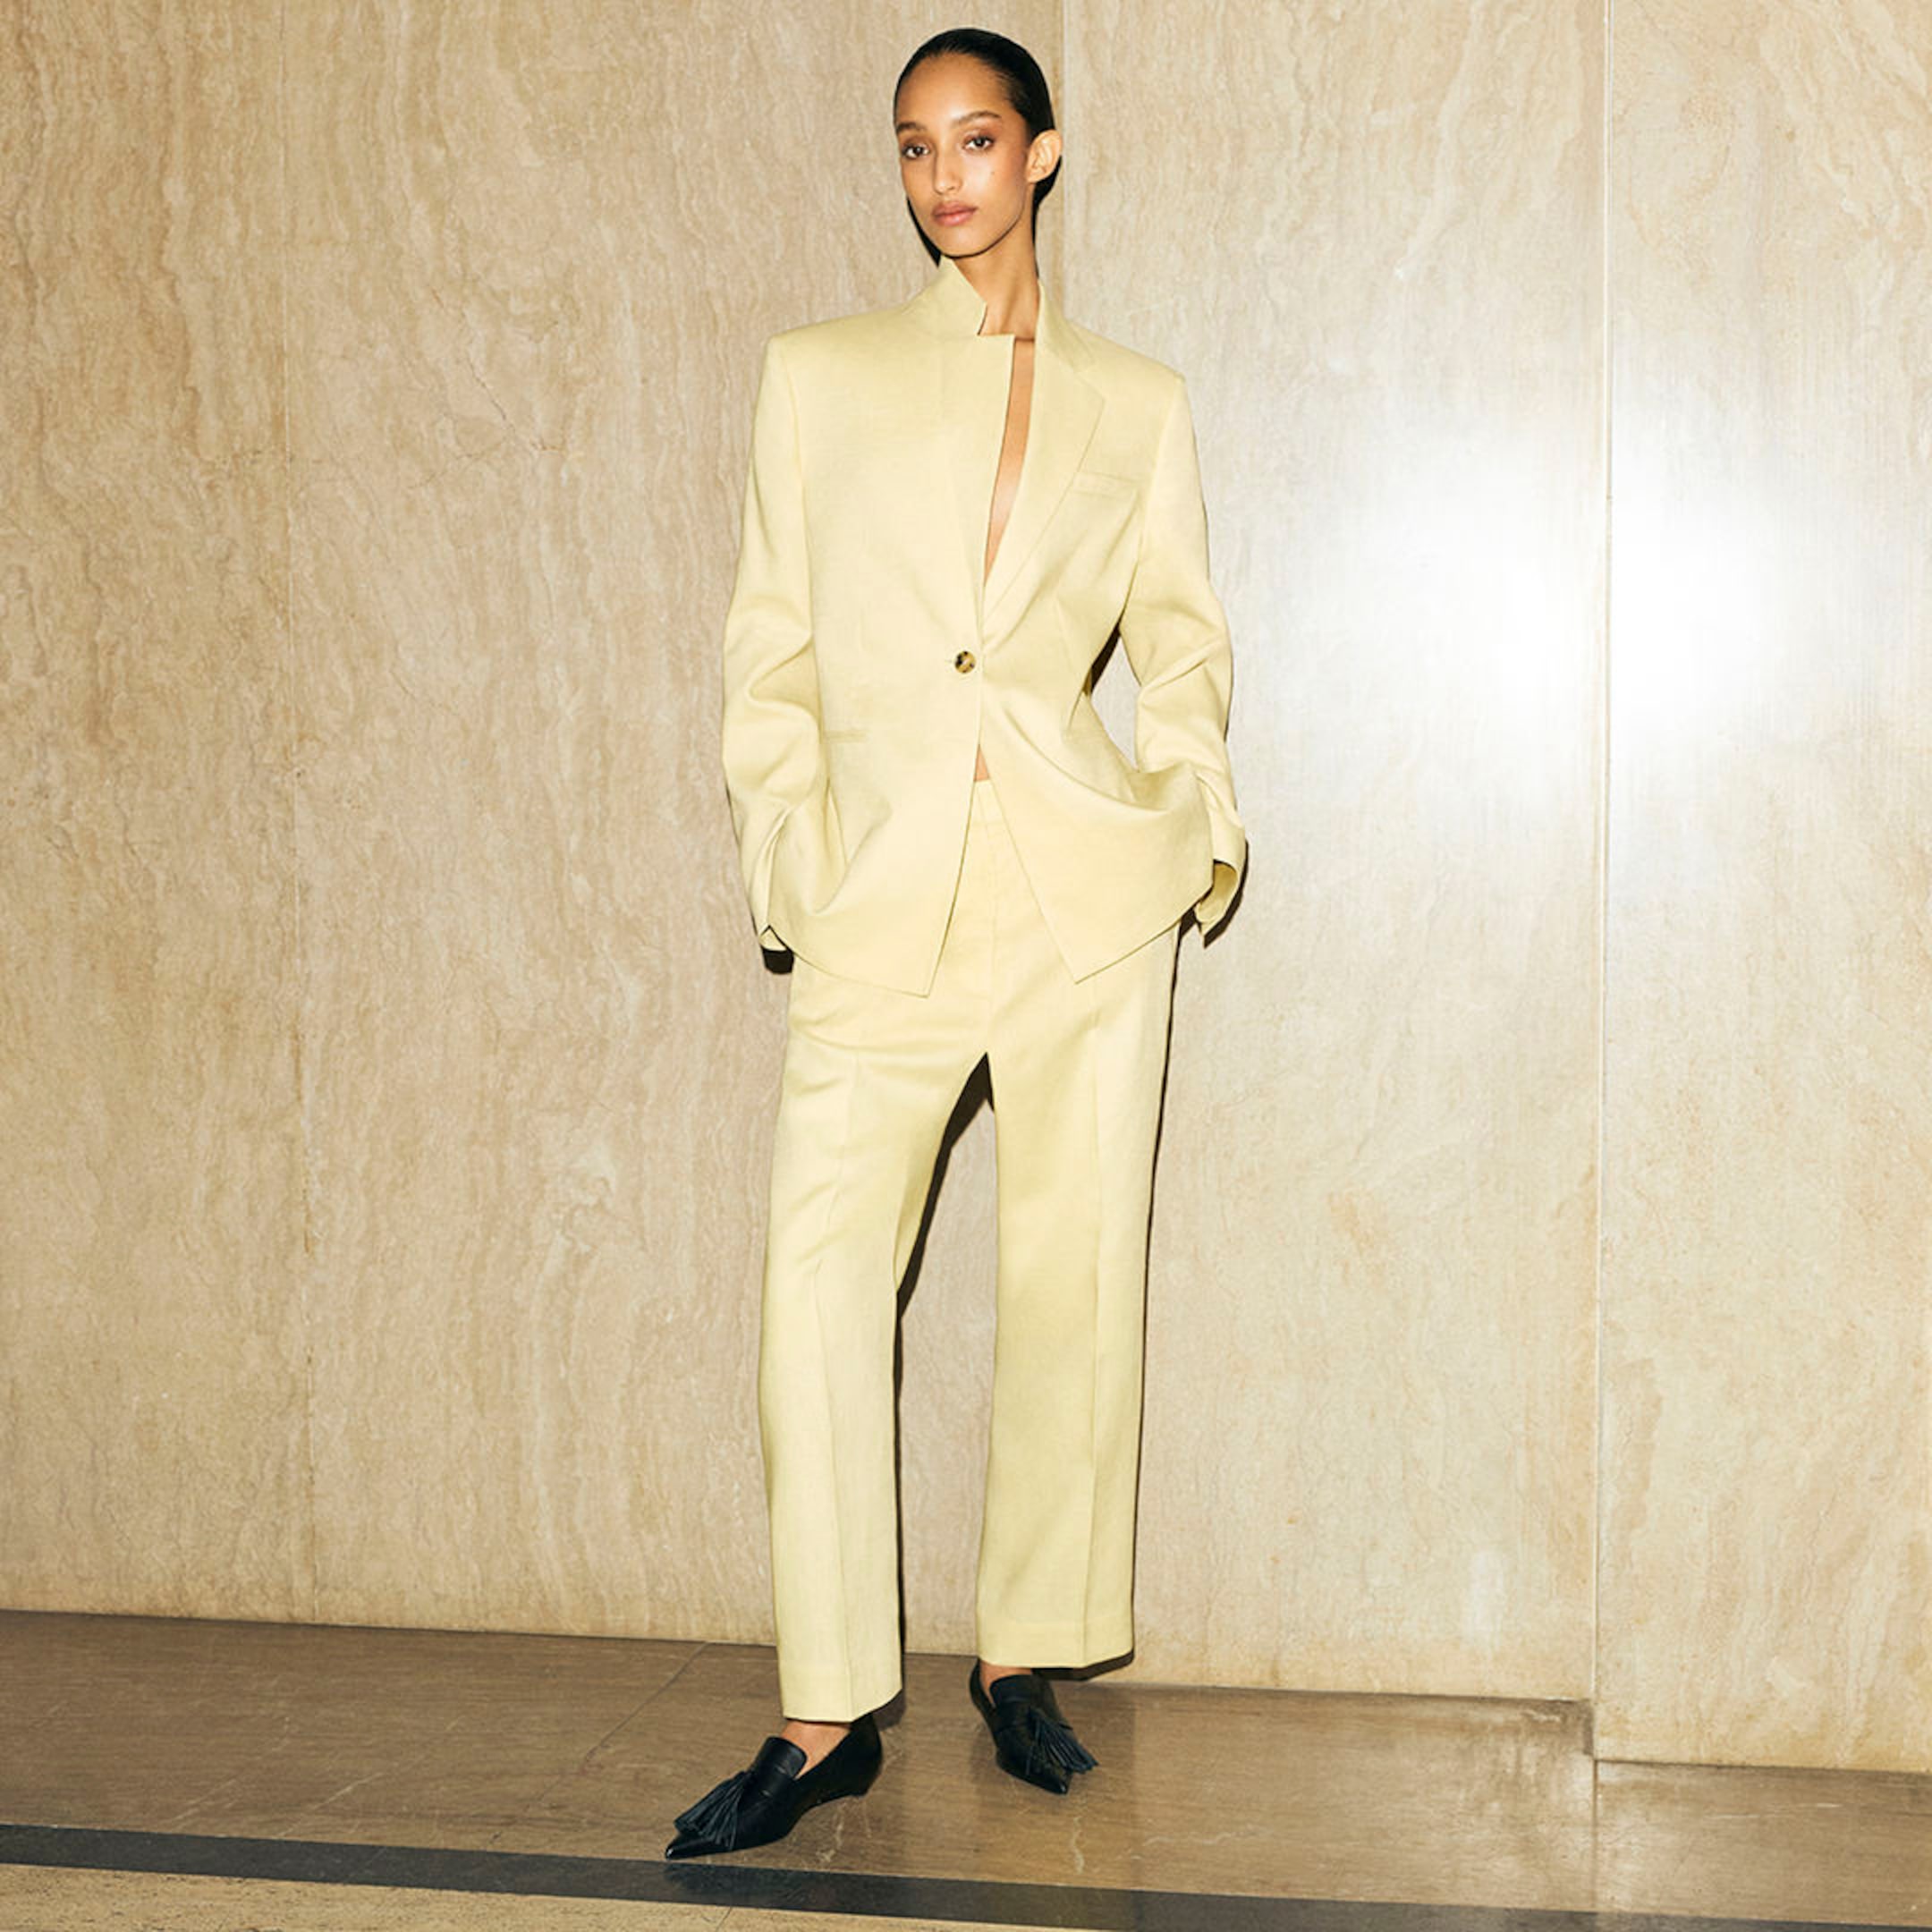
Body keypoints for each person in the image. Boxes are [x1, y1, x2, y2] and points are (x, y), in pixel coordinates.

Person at [666, 26, 1245, 1860]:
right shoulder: (817, 376)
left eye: (977, 141)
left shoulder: (1136, 401)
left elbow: (1183, 640)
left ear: (1041, 153)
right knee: (818, 1285)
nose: (945, 179)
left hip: (1084, 901)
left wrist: (1197, 817)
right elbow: (767, 650)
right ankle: (827, 1705)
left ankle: (1025, 1656)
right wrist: (790, 858)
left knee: (1076, 1283)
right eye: (916, 147)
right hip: (883, 900)